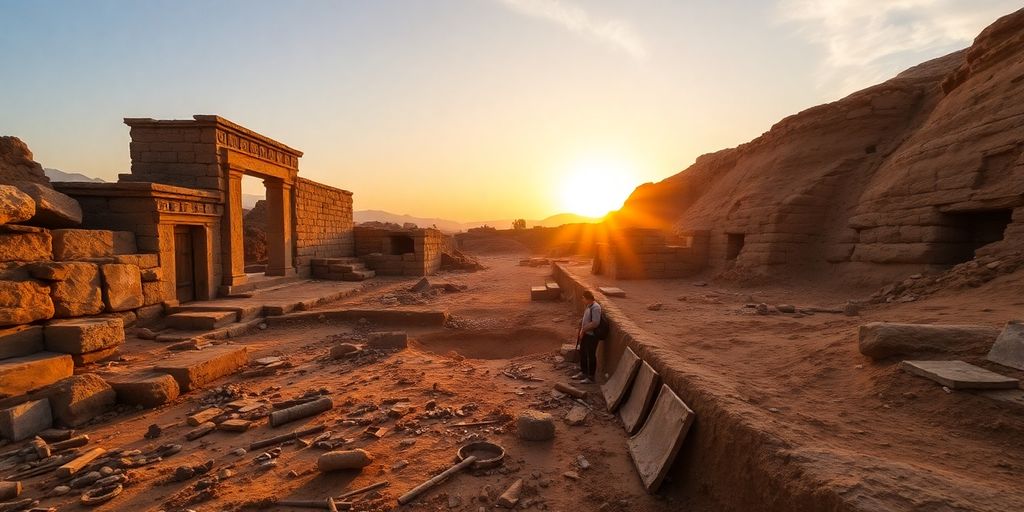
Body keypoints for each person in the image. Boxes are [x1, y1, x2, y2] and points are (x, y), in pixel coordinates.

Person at [575, 290, 602, 383]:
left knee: (591, 355)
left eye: (583, 298)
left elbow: (595, 323)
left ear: (587, 298)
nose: (582, 300)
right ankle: (583, 372)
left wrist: (584, 329)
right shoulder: (589, 306)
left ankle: (590, 377)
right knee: (582, 352)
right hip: (586, 334)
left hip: (592, 336)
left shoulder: (596, 308)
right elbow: (586, 318)